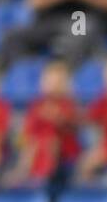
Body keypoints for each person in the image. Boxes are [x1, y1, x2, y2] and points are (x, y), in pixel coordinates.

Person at [15, 60, 81, 192]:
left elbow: (70, 126)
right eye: (49, 80)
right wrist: (25, 143)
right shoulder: (36, 105)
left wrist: (55, 117)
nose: (52, 85)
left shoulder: (69, 104)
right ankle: (25, 176)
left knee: (50, 142)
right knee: (32, 143)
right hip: (36, 151)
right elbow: (27, 132)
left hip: (64, 154)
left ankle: (41, 178)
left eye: (57, 81)